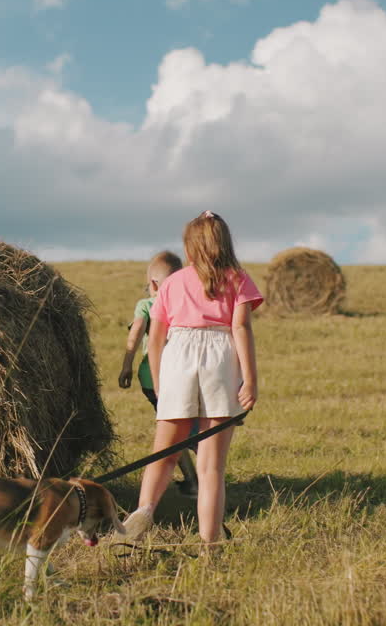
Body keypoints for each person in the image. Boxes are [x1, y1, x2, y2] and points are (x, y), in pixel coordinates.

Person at [122, 211, 262, 544]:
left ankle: (142, 514)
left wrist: (159, 382)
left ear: (189, 246)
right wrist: (251, 380)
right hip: (220, 359)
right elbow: (240, 327)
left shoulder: (171, 282)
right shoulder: (237, 279)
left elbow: (155, 340)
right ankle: (209, 542)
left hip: (177, 359)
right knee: (211, 466)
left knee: (164, 452)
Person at [118, 250, 199, 497]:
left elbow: (135, 335)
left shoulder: (146, 304)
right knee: (191, 423)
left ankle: (193, 480)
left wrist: (126, 365)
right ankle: (204, 470)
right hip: (186, 374)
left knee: (172, 428)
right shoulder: (186, 302)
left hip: (152, 380)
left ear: (153, 283)